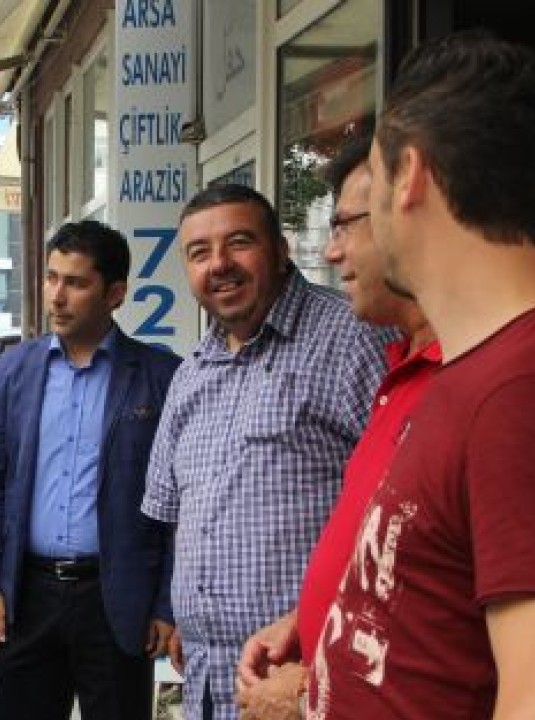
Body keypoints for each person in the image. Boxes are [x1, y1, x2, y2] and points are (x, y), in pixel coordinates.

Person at [309, 32, 535, 717]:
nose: (338, 246)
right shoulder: (483, 372)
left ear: (410, 175)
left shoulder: (529, 390)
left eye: (373, 184)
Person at [139, 184, 389, 720]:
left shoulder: (352, 338)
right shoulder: (191, 373)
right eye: (199, 252)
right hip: (207, 678)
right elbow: (175, 515)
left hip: (303, 678)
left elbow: (399, 514)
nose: (219, 264)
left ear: (280, 250)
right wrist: (188, 617)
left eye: (239, 242)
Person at [233, 130, 439, 719]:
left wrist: (312, 692)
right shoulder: (402, 370)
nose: (330, 252)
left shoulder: (495, 382)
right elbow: (396, 560)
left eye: (346, 225)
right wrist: (308, 619)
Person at [0, 220, 181, 720]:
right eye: (52, 278)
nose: (57, 297)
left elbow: (179, 502)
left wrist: (165, 604)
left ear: (115, 293)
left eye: (77, 283)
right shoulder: (16, 369)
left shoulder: (159, 376)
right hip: (27, 597)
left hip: (116, 599)